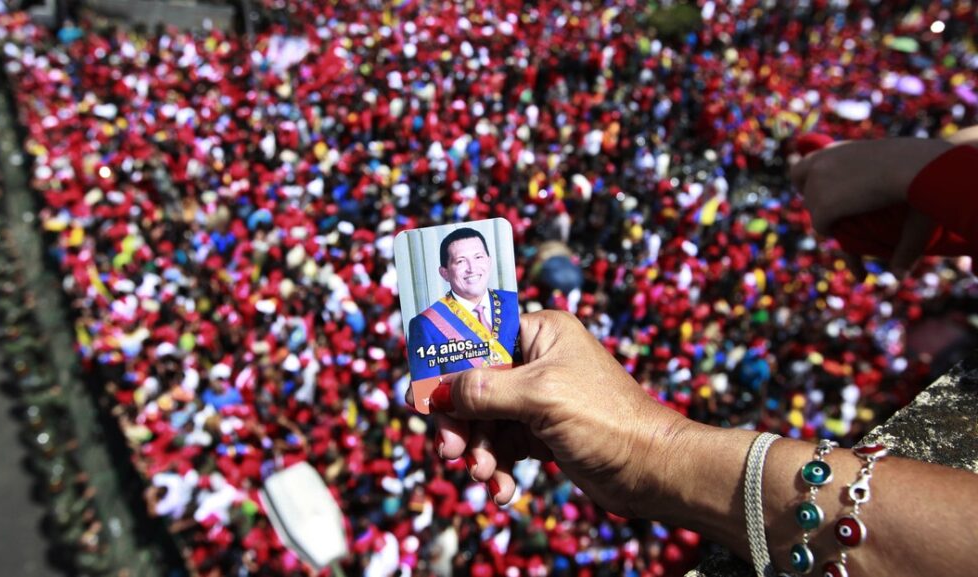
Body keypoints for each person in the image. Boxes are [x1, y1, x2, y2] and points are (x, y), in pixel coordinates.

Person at [413, 133, 978, 577]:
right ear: (443, 272)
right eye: (458, 264)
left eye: (477, 260)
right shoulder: (429, 324)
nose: (470, 270)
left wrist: (651, 456)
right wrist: (938, 172)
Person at [407, 227, 520, 380]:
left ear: (489, 261)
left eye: (478, 257)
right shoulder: (425, 325)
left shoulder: (514, 301)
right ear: (444, 273)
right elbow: (426, 396)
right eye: (460, 261)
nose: (472, 268)